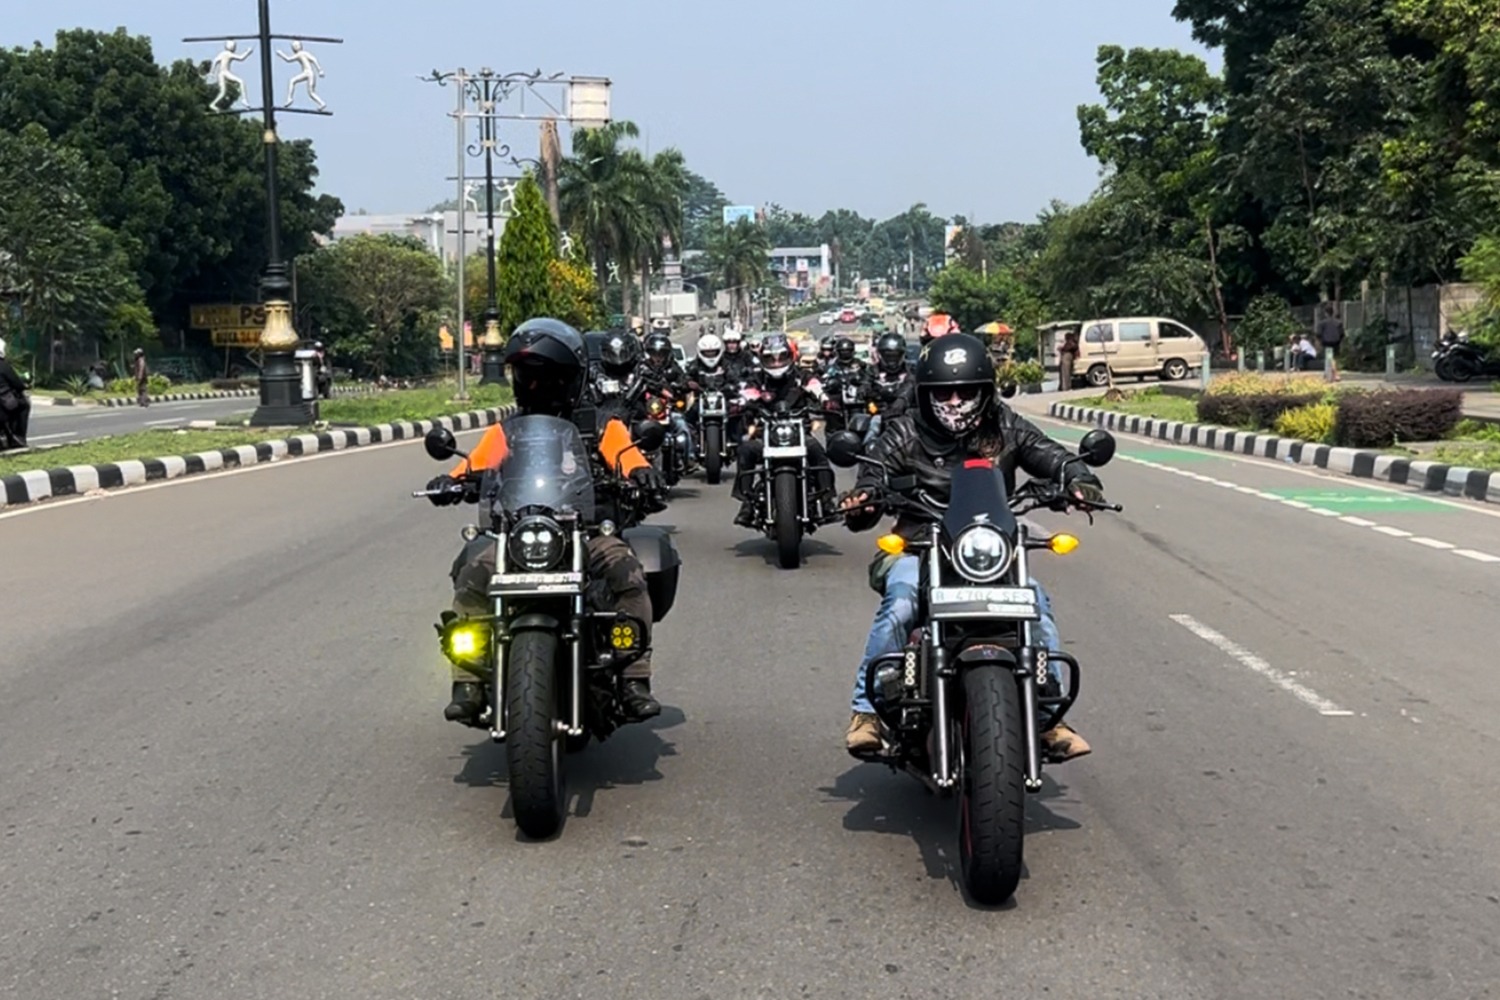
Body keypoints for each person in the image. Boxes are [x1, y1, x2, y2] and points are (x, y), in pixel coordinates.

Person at [839, 332, 1102, 761]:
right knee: (903, 602)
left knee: (1036, 603)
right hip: (915, 546)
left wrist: (1079, 480)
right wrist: (865, 497)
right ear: (926, 393)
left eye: (966, 391)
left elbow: (1053, 455)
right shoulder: (905, 433)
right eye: (945, 391)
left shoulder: (1007, 426)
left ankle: (1049, 714)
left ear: (985, 391)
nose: (956, 400)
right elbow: (874, 473)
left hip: (988, 553)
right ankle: (865, 712)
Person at [425, 318, 667, 724]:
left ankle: (632, 677)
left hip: (586, 535)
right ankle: (467, 678)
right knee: (471, 570)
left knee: (629, 573)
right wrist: (450, 481)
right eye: (528, 377)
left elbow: (627, 455)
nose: (537, 387)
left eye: (549, 378)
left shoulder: (602, 426)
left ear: (571, 378)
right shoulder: (507, 432)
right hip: (519, 536)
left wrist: (640, 474)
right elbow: (475, 465)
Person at [731, 332, 835, 527]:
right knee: (746, 450)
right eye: (770, 358)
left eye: (781, 357)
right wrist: (740, 402)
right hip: (766, 433)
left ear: (791, 356)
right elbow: (748, 391)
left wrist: (825, 399)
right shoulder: (758, 378)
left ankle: (827, 501)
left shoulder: (800, 375)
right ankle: (746, 503)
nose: (777, 363)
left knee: (817, 452)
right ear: (762, 359)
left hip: (800, 433)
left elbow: (814, 385)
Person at [859, 331, 916, 445]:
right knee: (869, 430)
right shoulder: (872, 370)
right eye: (888, 356)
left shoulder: (911, 369)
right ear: (880, 355)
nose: (891, 361)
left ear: (902, 355)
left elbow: (912, 383)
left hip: (906, 415)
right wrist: (868, 392)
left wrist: (902, 400)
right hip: (878, 412)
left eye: (895, 356)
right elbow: (864, 385)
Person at [0, 338, 31, 450]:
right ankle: (19, 437)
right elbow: (17, 384)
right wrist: (24, 385)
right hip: (3, 404)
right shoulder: (3, 366)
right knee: (24, 405)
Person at [1316, 303, 1344, 381]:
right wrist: (1339, 340)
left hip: (1326, 342)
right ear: (1333, 312)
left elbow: (1318, 334)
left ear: (1325, 313)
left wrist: (1320, 341)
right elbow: (1342, 333)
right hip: (1336, 342)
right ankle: (1328, 373)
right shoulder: (1338, 323)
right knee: (1334, 358)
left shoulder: (1322, 323)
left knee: (1330, 358)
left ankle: (1335, 374)